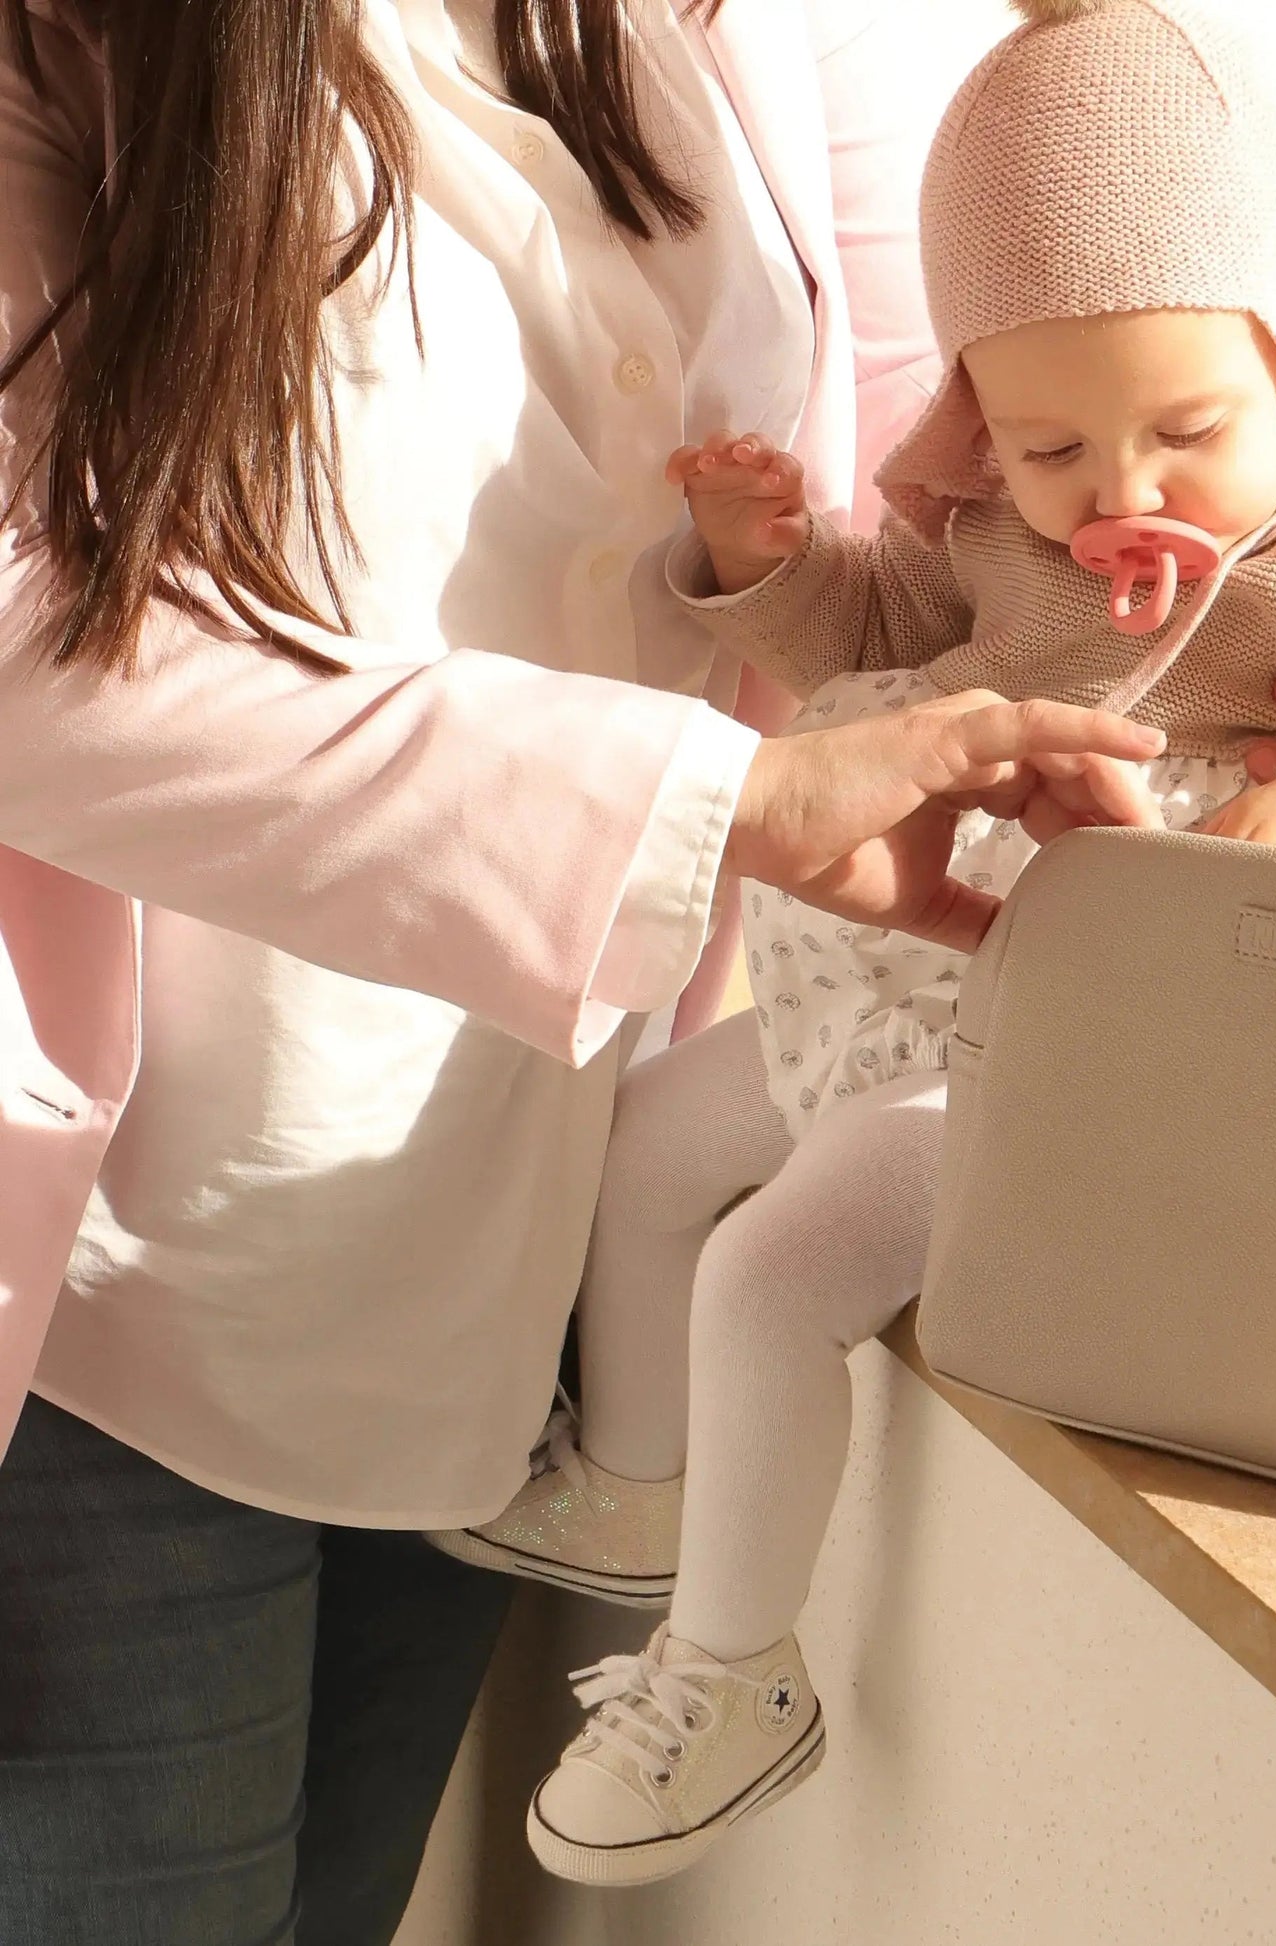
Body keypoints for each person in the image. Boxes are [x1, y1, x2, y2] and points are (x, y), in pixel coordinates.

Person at [0, 3, 1183, 1940]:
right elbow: (24, 639)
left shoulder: (746, 43)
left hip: (498, 1275)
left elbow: (996, 467)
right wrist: (732, 805)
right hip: (104, 1307)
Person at [434, 0, 1276, 1891]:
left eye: (1187, 430)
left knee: (774, 1268)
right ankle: (636, 1491)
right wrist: (763, 558)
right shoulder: (994, 537)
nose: (1120, 493)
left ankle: (732, 1666)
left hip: (1089, 1051)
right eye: (1050, 441)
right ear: (978, 416)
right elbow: (864, 643)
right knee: (648, 1146)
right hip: (901, 983)